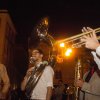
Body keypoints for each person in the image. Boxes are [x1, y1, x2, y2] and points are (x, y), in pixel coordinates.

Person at [74, 27, 100, 100]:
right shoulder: (87, 73)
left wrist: (83, 85)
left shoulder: (98, 73)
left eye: (89, 58)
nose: (87, 60)